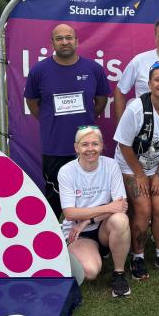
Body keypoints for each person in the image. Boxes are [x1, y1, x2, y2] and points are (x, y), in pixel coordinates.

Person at [24, 24, 112, 220]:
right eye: (59, 38)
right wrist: (50, 121)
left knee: (88, 198)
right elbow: (32, 103)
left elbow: (100, 102)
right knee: (55, 199)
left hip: (86, 148)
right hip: (54, 147)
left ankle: (87, 242)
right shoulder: (39, 71)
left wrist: (85, 120)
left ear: (77, 41)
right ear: (52, 42)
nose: (65, 42)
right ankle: (51, 242)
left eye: (69, 38)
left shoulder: (94, 69)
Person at [114, 62, 159, 280]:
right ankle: (137, 257)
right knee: (143, 209)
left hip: (157, 164)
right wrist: (139, 174)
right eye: (158, 79)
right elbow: (124, 145)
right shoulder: (136, 108)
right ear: (149, 83)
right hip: (131, 163)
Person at [58, 126, 132, 298]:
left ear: (101, 146)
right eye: (84, 145)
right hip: (79, 233)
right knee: (90, 271)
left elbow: (121, 205)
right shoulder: (66, 171)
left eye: (95, 144)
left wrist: (88, 220)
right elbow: (70, 213)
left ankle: (119, 273)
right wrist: (107, 207)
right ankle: (91, 251)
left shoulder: (111, 165)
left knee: (120, 219)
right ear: (76, 147)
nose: (90, 149)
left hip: (100, 226)